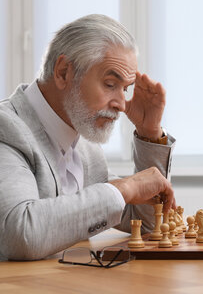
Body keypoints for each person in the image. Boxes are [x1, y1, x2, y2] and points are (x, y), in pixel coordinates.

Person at [0, 14, 176, 261]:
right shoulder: (6, 128)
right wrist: (123, 188)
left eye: (125, 89)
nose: (122, 105)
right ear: (63, 72)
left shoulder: (84, 144)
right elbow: (19, 234)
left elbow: (145, 224)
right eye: (110, 84)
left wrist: (149, 132)